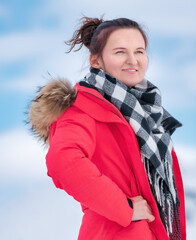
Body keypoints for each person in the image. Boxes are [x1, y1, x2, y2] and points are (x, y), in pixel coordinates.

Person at [28, 17, 186, 240]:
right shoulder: (82, 108)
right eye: (120, 52)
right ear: (96, 60)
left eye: (139, 51)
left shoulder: (145, 113)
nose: (133, 60)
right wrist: (125, 207)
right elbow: (63, 161)